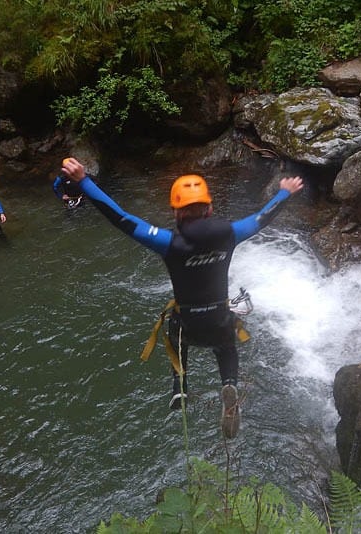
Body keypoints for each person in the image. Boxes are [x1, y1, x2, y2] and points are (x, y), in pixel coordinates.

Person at [61, 157, 303, 439]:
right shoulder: (230, 233)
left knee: (175, 323)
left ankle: (180, 386)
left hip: (188, 325)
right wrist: (285, 192)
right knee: (226, 342)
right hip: (218, 321)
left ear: (175, 213)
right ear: (210, 209)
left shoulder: (167, 242)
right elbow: (263, 217)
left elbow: (121, 218)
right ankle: (229, 383)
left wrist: (84, 181)